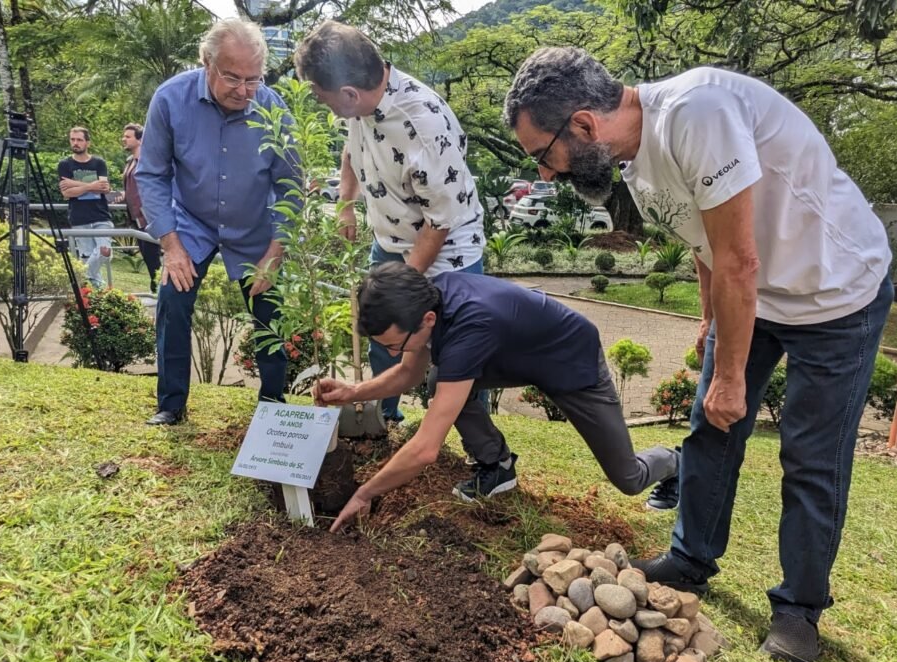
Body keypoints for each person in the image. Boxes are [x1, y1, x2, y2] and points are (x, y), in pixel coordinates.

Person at [503, 48, 893, 662]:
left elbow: (739, 258)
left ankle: (799, 609)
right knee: (709, 429)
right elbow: (705, 240)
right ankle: (690, 557)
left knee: (811, 457)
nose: (546, 174)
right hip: (751, 295)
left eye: (542, 156)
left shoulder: (698, 112)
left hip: (835, 294)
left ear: (582, 125)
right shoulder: (630, 156)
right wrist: (711, 322)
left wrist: (732, 375)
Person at [315, 262, 679, 526]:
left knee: (627, 477)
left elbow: (426, 448)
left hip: (569, 361)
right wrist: (353, 391)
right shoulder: (428, 300)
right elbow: (409, 372)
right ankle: (497, 466)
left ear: (427, 320)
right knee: (436, 379)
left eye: (395, 344)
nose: (393, 354)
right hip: (513, 355)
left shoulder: (469, 324)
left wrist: (365, 493)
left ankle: (678, 461)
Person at [294, 21, 486, 423]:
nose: (323, 104)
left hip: (448, 253)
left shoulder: (423, 127)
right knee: (383, 332)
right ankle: (384, 420)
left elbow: (439, 224)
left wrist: (398, 286)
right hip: (391, 241)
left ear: (349, 93)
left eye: (322, 97)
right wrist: (346, 203)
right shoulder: (360, 103)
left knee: (458, 351)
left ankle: (480, 450)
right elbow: (352, 149)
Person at [137, 18, 299, 426]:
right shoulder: (170, 99)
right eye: (232, 78)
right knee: (173, 300)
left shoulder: (273, 107)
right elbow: (152, 174)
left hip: (255, 227)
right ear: (206, 62)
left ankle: (273, 406)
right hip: (191, 223)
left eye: (253, 79)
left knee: (269, 312)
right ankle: (171, 404)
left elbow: (292, 186)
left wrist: (275, 254)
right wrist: (171, 246)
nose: (244, 91)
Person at [58, 127, 112, 289]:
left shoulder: (98, 163)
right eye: (73, 139)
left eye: (79, 140)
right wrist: (91, 185)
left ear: (87, 142)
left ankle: (81, 276)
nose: (75, 143)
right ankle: (97, 299)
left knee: (105, 251)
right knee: (86, 257)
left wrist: (76, 184)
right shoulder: (65, 164)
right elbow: (67, 193)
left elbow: (104, 188)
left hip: (101, 216)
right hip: (79, 218)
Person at [116, 123, 161, 294]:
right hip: (135, 217)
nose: (124, 139)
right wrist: (123, 195)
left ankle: (158, 290)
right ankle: (156, 289)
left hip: (148, 216)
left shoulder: (148, 160)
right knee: (147, 256)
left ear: (140, 140)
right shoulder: (130, 161)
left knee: (152, 256)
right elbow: (132, 187)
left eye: (128, 136)